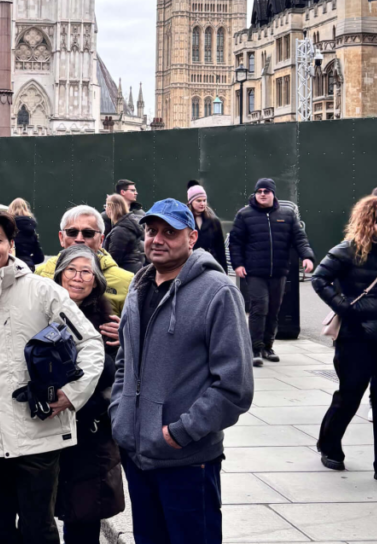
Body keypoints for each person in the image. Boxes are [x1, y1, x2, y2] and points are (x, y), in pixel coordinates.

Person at [0, 211, 104, 544]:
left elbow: (89, 342)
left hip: (38, 435)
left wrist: (72, 394)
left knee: (38, 529)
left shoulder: (43, 291)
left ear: (11, 244)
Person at [110, 199, 254, 544]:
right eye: (151, 231)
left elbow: (235, 386)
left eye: (169, 232)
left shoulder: (218, 292)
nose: (157, 239)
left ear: (192, 238)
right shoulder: (139, 286)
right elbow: (124, 361)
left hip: (186, 461)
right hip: (138, 455)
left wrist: (181, 432)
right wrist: (121, 414)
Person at [312, 195, 377, 489]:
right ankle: (329, 445)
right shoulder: (348, 251)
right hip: (356, 340)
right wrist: (346, 307)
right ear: (368, 223)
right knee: (349, 396)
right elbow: (319, 279)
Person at [53, 245, 125, 544]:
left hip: (90, 434)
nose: (78, 278)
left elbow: (114, 374)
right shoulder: (40, 312)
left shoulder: (108, 323)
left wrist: (123, 344)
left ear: (96, 281)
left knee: (83, 518)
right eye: (71, 270)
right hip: (48, 428)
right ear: (59, 275)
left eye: (86, 272)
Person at [228, 177, 315, 366]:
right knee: (260, 308)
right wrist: (238, 264)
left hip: (279, 271)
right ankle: (255, 349)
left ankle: (268, 346)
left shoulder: (287, 214)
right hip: (255, 271)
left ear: (273, 194)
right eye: (259, 191)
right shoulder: (244, 215)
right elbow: (235, 243)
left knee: (274, 310)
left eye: (266, 191)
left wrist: (307, 256)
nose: (262, 194)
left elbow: (299, 238)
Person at [36, 204, 134, 316]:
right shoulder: (39, 274)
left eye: (88, 233)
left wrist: (124, 331)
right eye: (72, 232)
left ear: (101, 240)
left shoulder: (126, 282)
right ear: (61, 238)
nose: (79, 239)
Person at [186, 182, 227, 271]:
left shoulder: (214, 221)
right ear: (191, 201)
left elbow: (220, 248)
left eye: (204, 200)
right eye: (199, 201)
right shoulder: (184, 220)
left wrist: (224, 271)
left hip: (210, 265)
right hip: (189, 266)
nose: (202, 204)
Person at [104, 194, 145, 273]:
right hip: (133, 270)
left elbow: (113, 259)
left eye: (106, 206)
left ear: (111, 207)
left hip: (125, 272)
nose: (105, 209)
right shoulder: (128, 224)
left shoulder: (120, 231)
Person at [8, 198, 45, 271]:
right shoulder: (32, 231)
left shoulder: (7, 227)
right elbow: (40, 257)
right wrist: (28, 261)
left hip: (10, 265)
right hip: (27, 267)